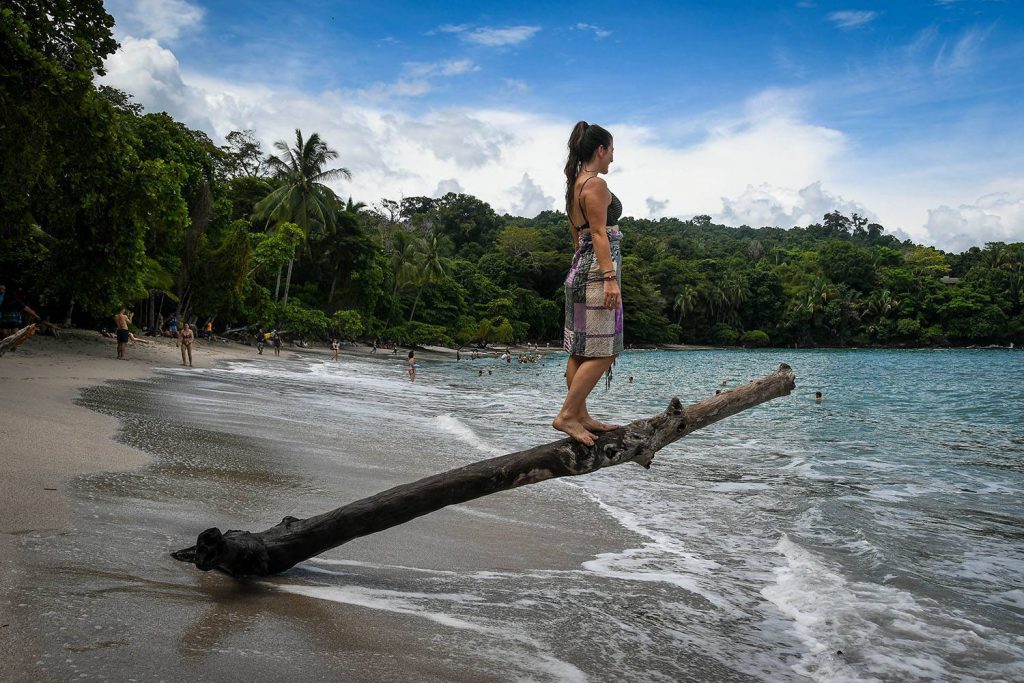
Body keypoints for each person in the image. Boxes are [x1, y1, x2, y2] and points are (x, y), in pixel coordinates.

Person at [552, 121, 623, 446]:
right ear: (600, 149)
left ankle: (580, 414)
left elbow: (577, 237)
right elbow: (597, 234)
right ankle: (567, 415)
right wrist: (609, 279)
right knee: (606, 351)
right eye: (611, 151)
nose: (612, 158)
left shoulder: (574, 185)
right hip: (596, 274)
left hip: (580, 270)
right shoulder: (595, 185)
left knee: (580, 352)